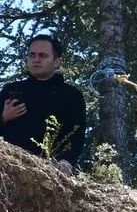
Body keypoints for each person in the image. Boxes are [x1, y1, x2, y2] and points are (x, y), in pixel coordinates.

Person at [0, 33, 86, 173]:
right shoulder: (11, 90)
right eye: (32, 55)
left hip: (52, 170)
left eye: (42, 55)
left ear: (57, 62)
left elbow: (77, 134)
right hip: (10, 167)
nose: (36, 60)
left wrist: (67, 161)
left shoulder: (71, 95)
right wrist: (4, 118)